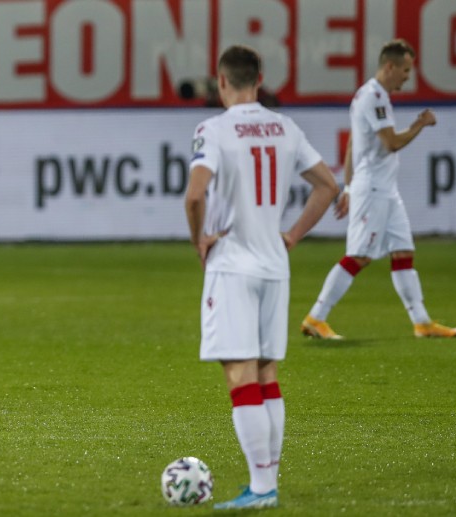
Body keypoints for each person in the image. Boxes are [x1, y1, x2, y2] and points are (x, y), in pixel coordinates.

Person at [184, 45, 338, 510]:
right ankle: (265, 484)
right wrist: (292, 235)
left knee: (240, 372)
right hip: (274, 263)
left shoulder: (213, 129)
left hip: (233, 264)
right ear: (260, 79)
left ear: (221, 81)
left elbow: (195, 196)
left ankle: (262, 488)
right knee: (267, 373)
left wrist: (199, 239)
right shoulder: (285, 127)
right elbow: (328, 186)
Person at [300, 39, 456, 340]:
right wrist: (420, 124)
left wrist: (348, 187)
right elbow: (391, 143)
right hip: (374, 189)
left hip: (384, 190)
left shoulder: (369, 94)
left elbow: (353, 144)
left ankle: (422, 322)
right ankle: (316, 317)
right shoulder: (374, 97)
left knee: (403, 252)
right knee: (359, 256)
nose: (408, 77)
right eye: (405, 70)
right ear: (390, 66)